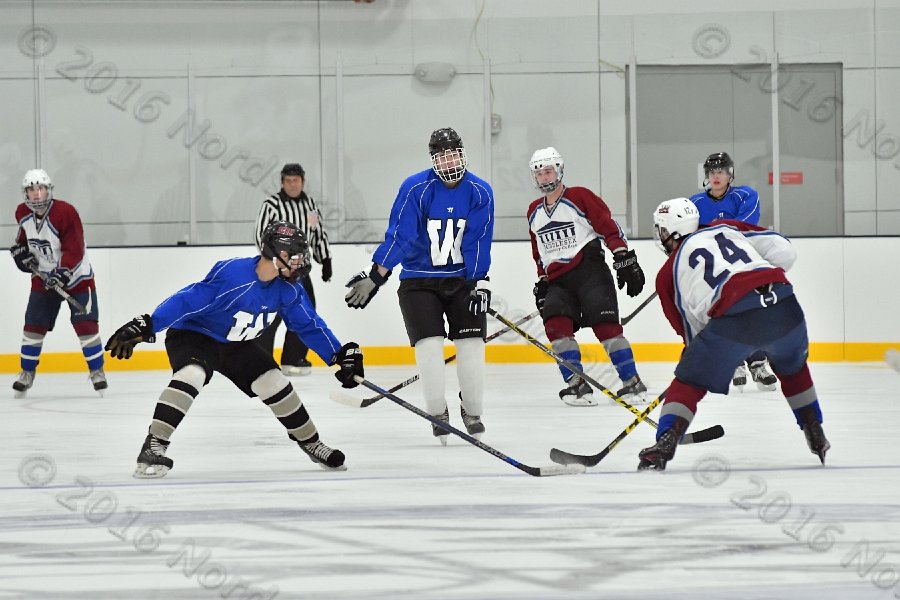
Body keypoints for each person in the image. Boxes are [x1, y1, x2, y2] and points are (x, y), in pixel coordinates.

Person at [104, 221, 363, 478]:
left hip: (235, 344)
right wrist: (149, 324)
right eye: (294, 256)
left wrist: (338, 355)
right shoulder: (235, 275)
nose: (300, 262)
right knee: (192, 374)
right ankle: (154, 444)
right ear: (276, 254)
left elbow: (309, 325)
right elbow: (187, 300)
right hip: (194, 334)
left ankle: (311, 443)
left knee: (273, 382)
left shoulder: (289, 289)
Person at [637, 197, 829, 471]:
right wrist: (753, 273)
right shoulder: (726, 227)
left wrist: (695, 367)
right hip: (785, 303)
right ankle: (814, 427)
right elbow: (785, 251)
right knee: (793, 367)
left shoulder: (667, 274)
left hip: (733, 318)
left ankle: (666, 438)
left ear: (669, 231)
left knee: (689, 380)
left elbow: (691, 332)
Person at [344, 127, 494, 444]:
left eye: (452, 153)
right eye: (441, 155)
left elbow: (478, 240)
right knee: (429, 347)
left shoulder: (480, 192)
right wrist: (376, 276)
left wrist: (480, 282)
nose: (448, 160)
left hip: (462, 281)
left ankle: (473, 410)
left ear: (462, 153)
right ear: (433, 159)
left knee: (471, 348)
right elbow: (401, 237)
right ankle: (437, 413)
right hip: (418, 282)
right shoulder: (416, 188)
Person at [527, 147, 647, 407]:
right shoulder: (533, 212)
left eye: (548, 171)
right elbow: (539, 252)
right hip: (559, 281)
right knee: (555, 327)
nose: (545, 178)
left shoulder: (579, 197)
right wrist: (542, 280)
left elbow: (607, 226)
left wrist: (623, 256)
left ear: (559, 170)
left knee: (606, 328)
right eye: (539, 174)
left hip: (589, 272)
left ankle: (632, 382)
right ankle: (577, 384)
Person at [9, 169, 106, 397]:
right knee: (33, 325)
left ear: (49, 190)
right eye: (31, 189)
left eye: (40, 188)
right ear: (26, 193)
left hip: (77, 277)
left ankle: (97, 371)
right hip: (43, 278)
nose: (37, 194)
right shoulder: (22, 213)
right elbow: (24, 241)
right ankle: (27, 373)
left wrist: (62, 273)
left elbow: (75, 248)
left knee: (86, 325)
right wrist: (21, 254)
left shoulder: (65, 212)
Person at [689, 151, 777, 392]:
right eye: (712, 172)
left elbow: (743, 228)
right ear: (706, 176)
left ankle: (758, 363)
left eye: (721, 171)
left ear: (730, 174)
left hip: (742, 266)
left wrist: (709, 232)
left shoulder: (745, 195)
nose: (716, 176)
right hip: (712, 272)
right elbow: (688, 240)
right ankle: (735, 361)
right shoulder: (694, 204)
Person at [254, 163, 333, 376]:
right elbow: (261, 234)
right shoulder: (271, 205)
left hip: (299, 271)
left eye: (296, 180)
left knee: (305, 311)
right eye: (288, 181)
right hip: (275, 270)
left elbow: (317, 234)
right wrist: (272, 263)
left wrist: (325, 259)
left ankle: (293, 358)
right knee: (272, 313)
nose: (292, 184)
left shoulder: (310, 206)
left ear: (303, 182)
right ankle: (261, 359)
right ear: (282, 182)